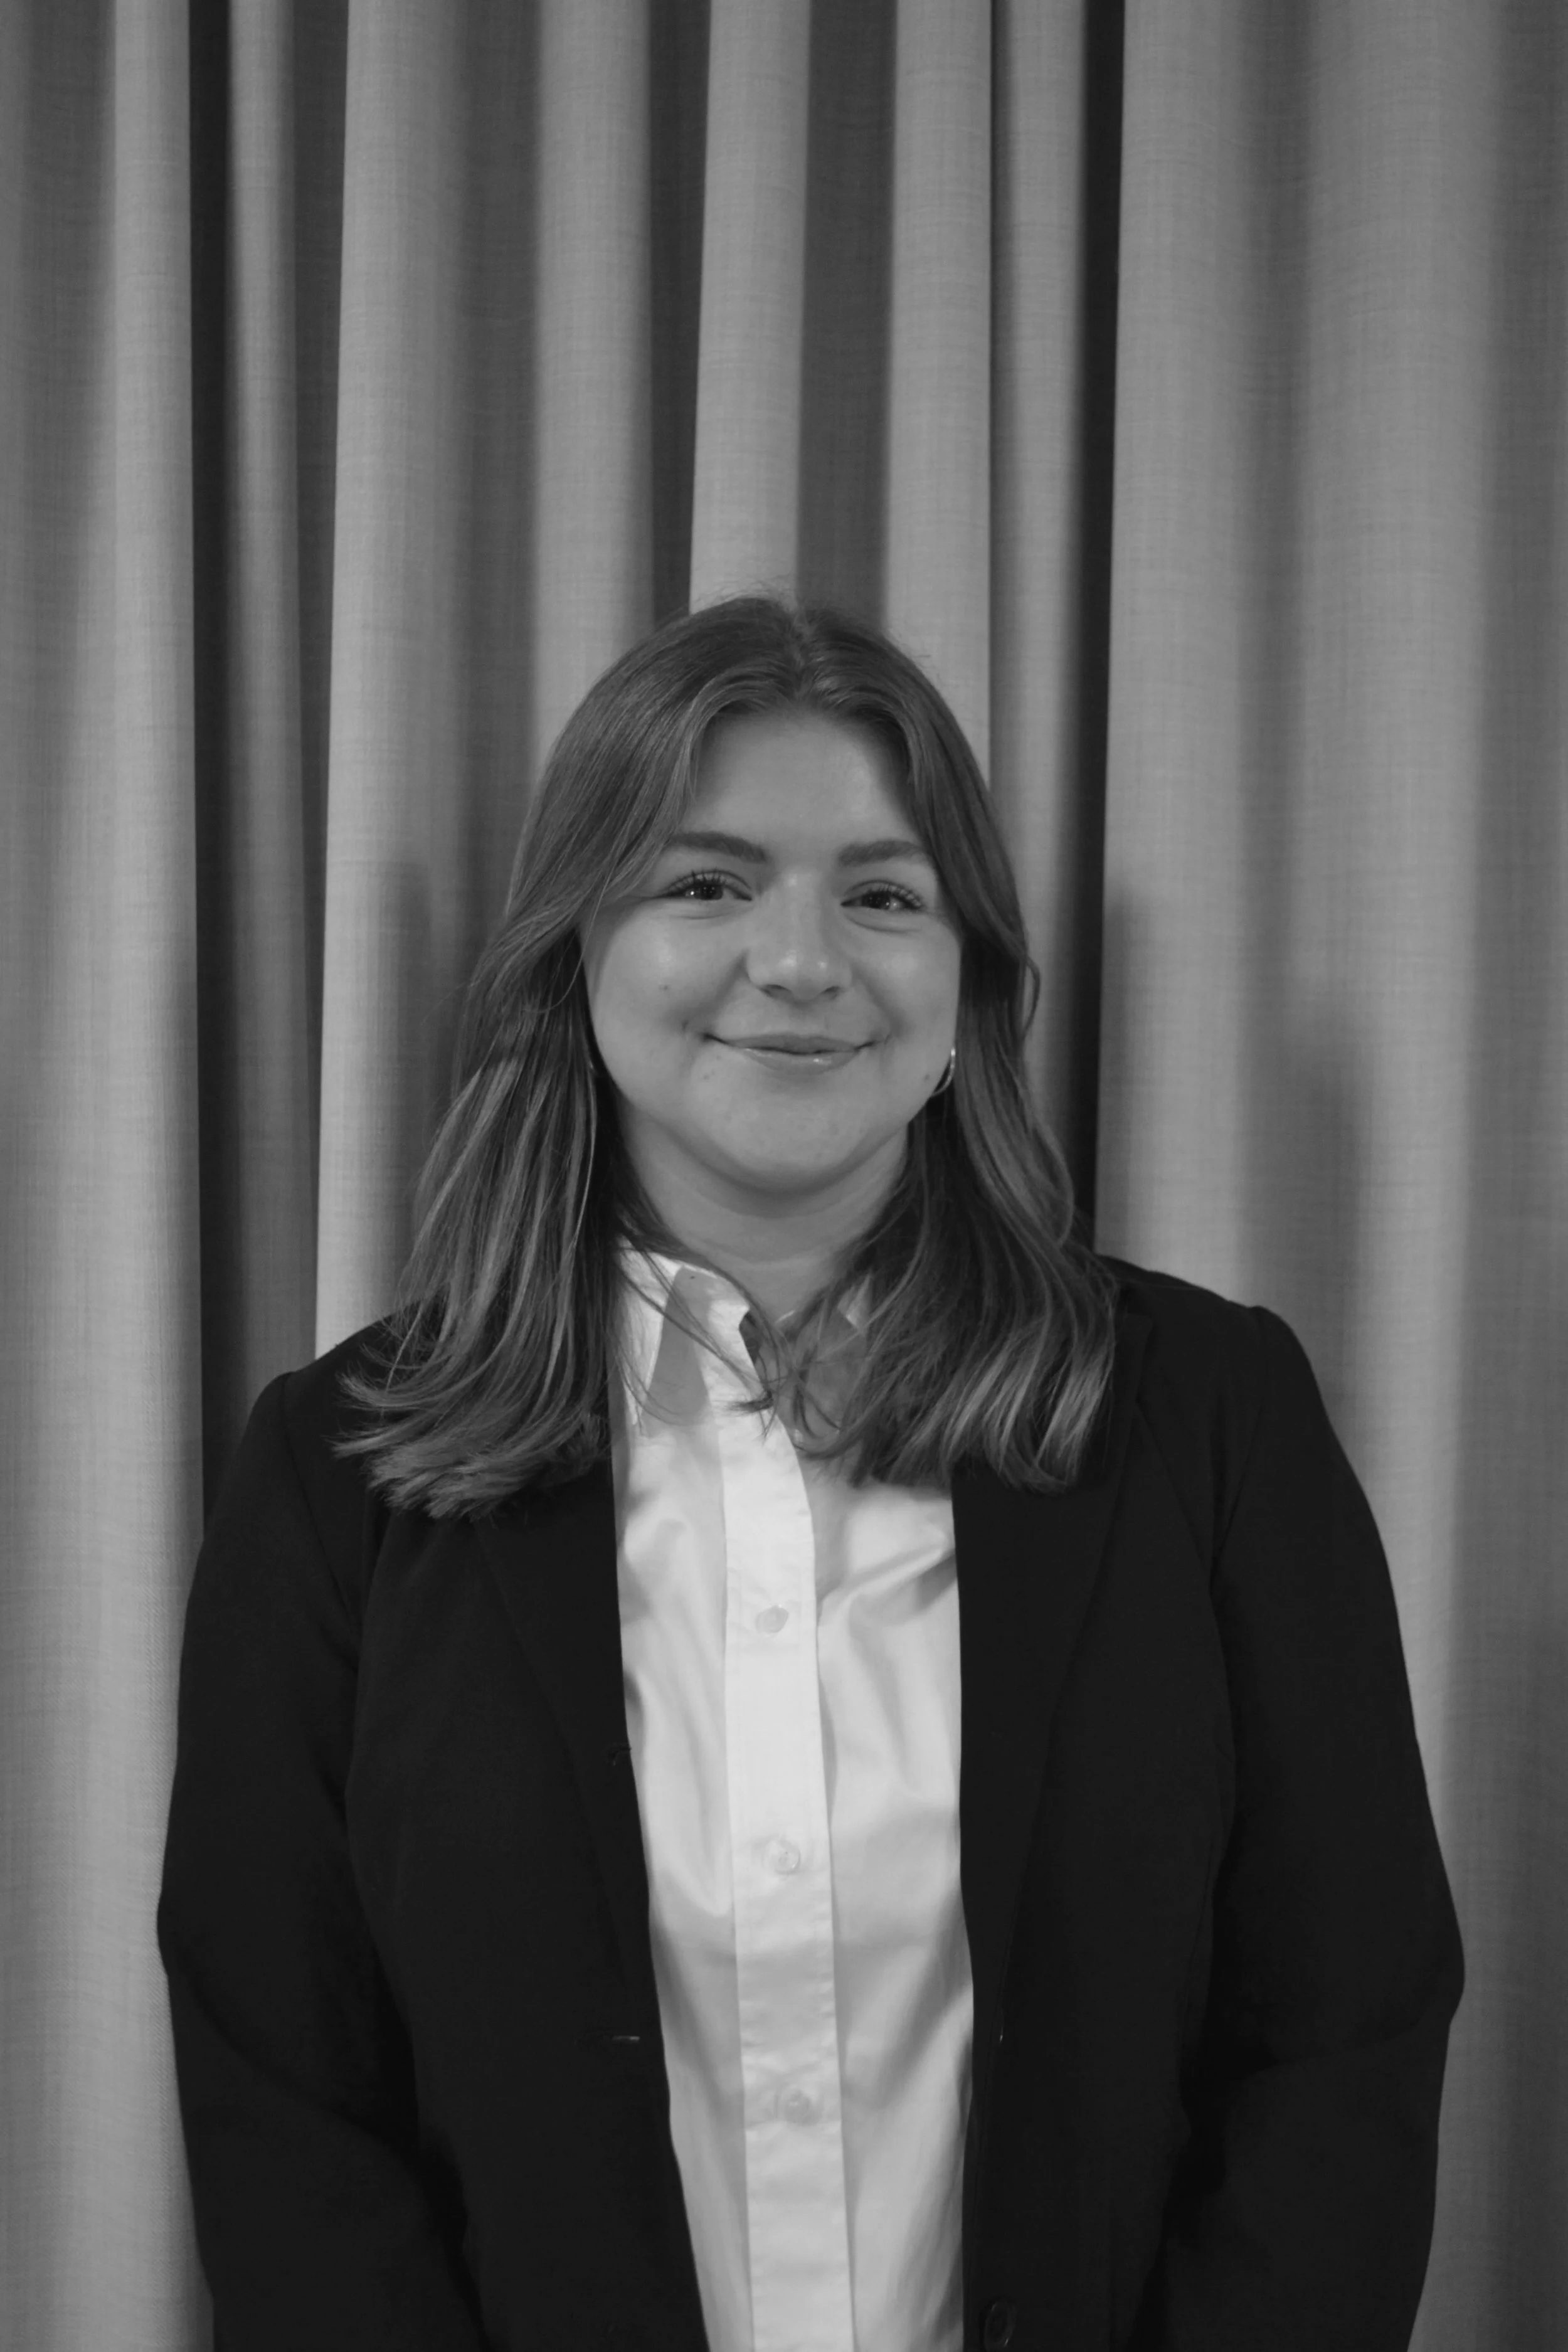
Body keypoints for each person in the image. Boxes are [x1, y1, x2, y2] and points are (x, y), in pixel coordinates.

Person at [158, 596, 1464, 2352]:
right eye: (705, 882)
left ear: (964, 974)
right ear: (577, 947)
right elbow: (288, 2116)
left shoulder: (1209, 1416)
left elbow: (1342, 2035)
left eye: (880, 890)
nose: (799, 958)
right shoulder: (335, 1474)